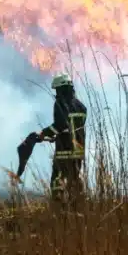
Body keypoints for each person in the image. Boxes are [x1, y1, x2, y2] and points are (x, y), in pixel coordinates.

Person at [38, 73, 89, 206]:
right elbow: (71, 128)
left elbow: (61, 125)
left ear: (62, 89)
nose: (56, 93)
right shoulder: (81, 106)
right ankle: (78, 204)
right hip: (78, 150)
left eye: (57, 90)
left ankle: (58, 205)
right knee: (74, 177)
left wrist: (45, 133)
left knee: (58, 179)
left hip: (64, 150)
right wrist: (57, 136)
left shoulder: (60, 104)